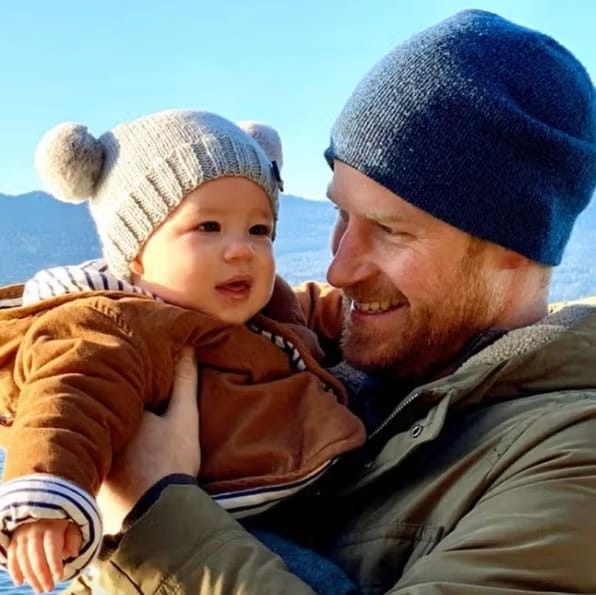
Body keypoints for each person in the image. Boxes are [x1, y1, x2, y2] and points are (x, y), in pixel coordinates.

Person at [60, 8, 596, 594]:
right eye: (341, 214)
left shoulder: (570, 461)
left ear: (513, 247)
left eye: (390, 230)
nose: (339, 268)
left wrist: (153, 514)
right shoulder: (305, 351)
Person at [0, 109, 366, 593]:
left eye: (258, 230)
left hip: (283, 503)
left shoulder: (260, 309)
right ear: (135, 252)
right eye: (208, 227)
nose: (241, 249)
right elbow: (69, 401)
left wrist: (375, 299)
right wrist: (44, 504)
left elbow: (318, 310)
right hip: (212, 521)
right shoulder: (116, 327)